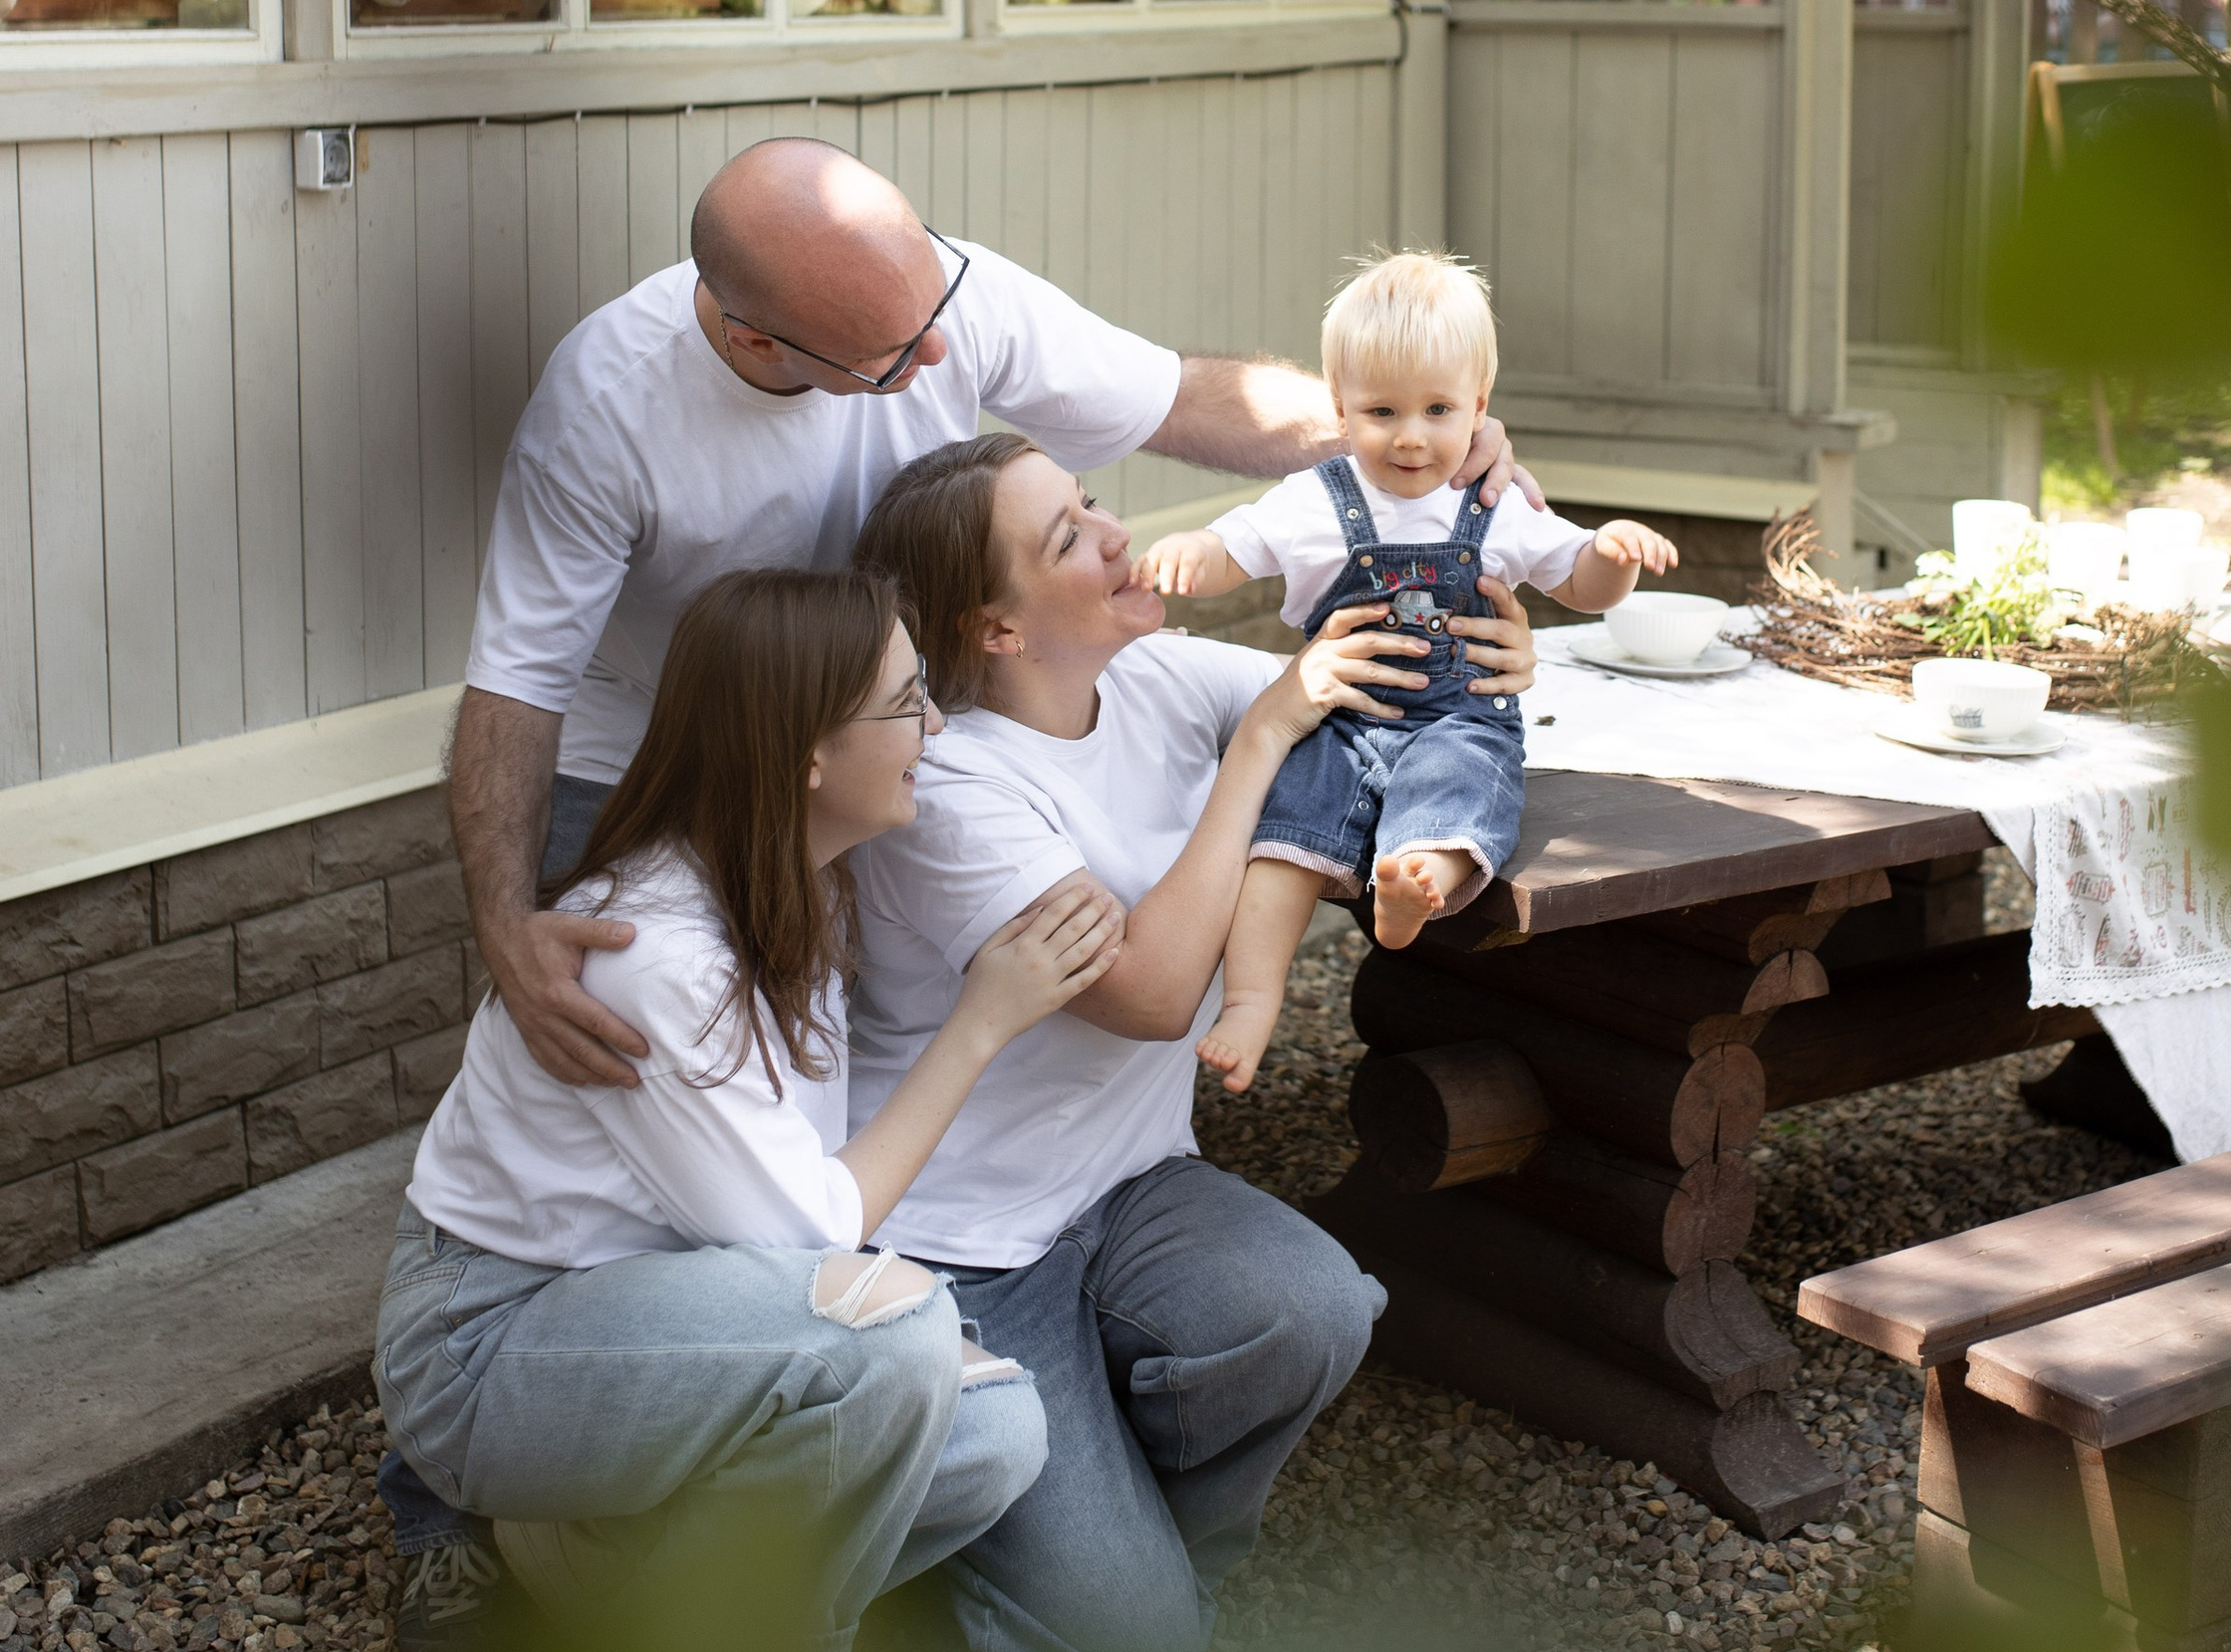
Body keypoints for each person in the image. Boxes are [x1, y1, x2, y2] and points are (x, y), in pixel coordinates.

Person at [447, 139, 1540, 1100]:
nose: (937, 356)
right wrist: (504, 927)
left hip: (882, 725)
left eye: (933, 314)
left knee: (826, 1039)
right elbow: (517, 683)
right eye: (891, 353)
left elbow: (1186, 399)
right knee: (638, 1052)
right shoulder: (604, 413)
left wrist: (1416, 454)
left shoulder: (942, 297)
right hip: (662, 754)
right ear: (759, 345)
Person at [839, 431, 1539, 1652]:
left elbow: (1372, 699)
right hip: (961, 1248)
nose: (1117, 533)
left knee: (1314, 1309)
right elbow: (1156, 996)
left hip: (1127, 1190)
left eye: (1090, 503)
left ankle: (1121, 1548)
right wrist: (1258, 747)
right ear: (995, 627)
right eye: (1067, 536)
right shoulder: (951, 787)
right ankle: (969, 1543)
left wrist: (1484, 665)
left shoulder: (1150, 674)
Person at [376, 568, 1121, 1652]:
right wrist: (981, 1023)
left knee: (994, 1435)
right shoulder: (655, 957)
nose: (933, 726)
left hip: (666, 1322)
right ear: (805, 754)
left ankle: (610, 1585)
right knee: (892, 1340)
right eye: (905, 703)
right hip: (492, 1344)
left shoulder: (797, 884)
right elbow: (809, 1237)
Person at [1138, 250, 1677, 1087]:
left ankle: (1414, 887)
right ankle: (1250, 1001)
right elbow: (1234, 549)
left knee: (1458, 793)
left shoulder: (1493, 502)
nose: (1411, 436)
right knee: (1282, 847)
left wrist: (1613, 554)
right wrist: (1189, 553)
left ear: (1479, 408)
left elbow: (1579, 583)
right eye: (1382, 411)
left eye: (1437, 410)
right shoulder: (1316, 499)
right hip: (1340, 722)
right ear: (1339, 407)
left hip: (1459, 717)